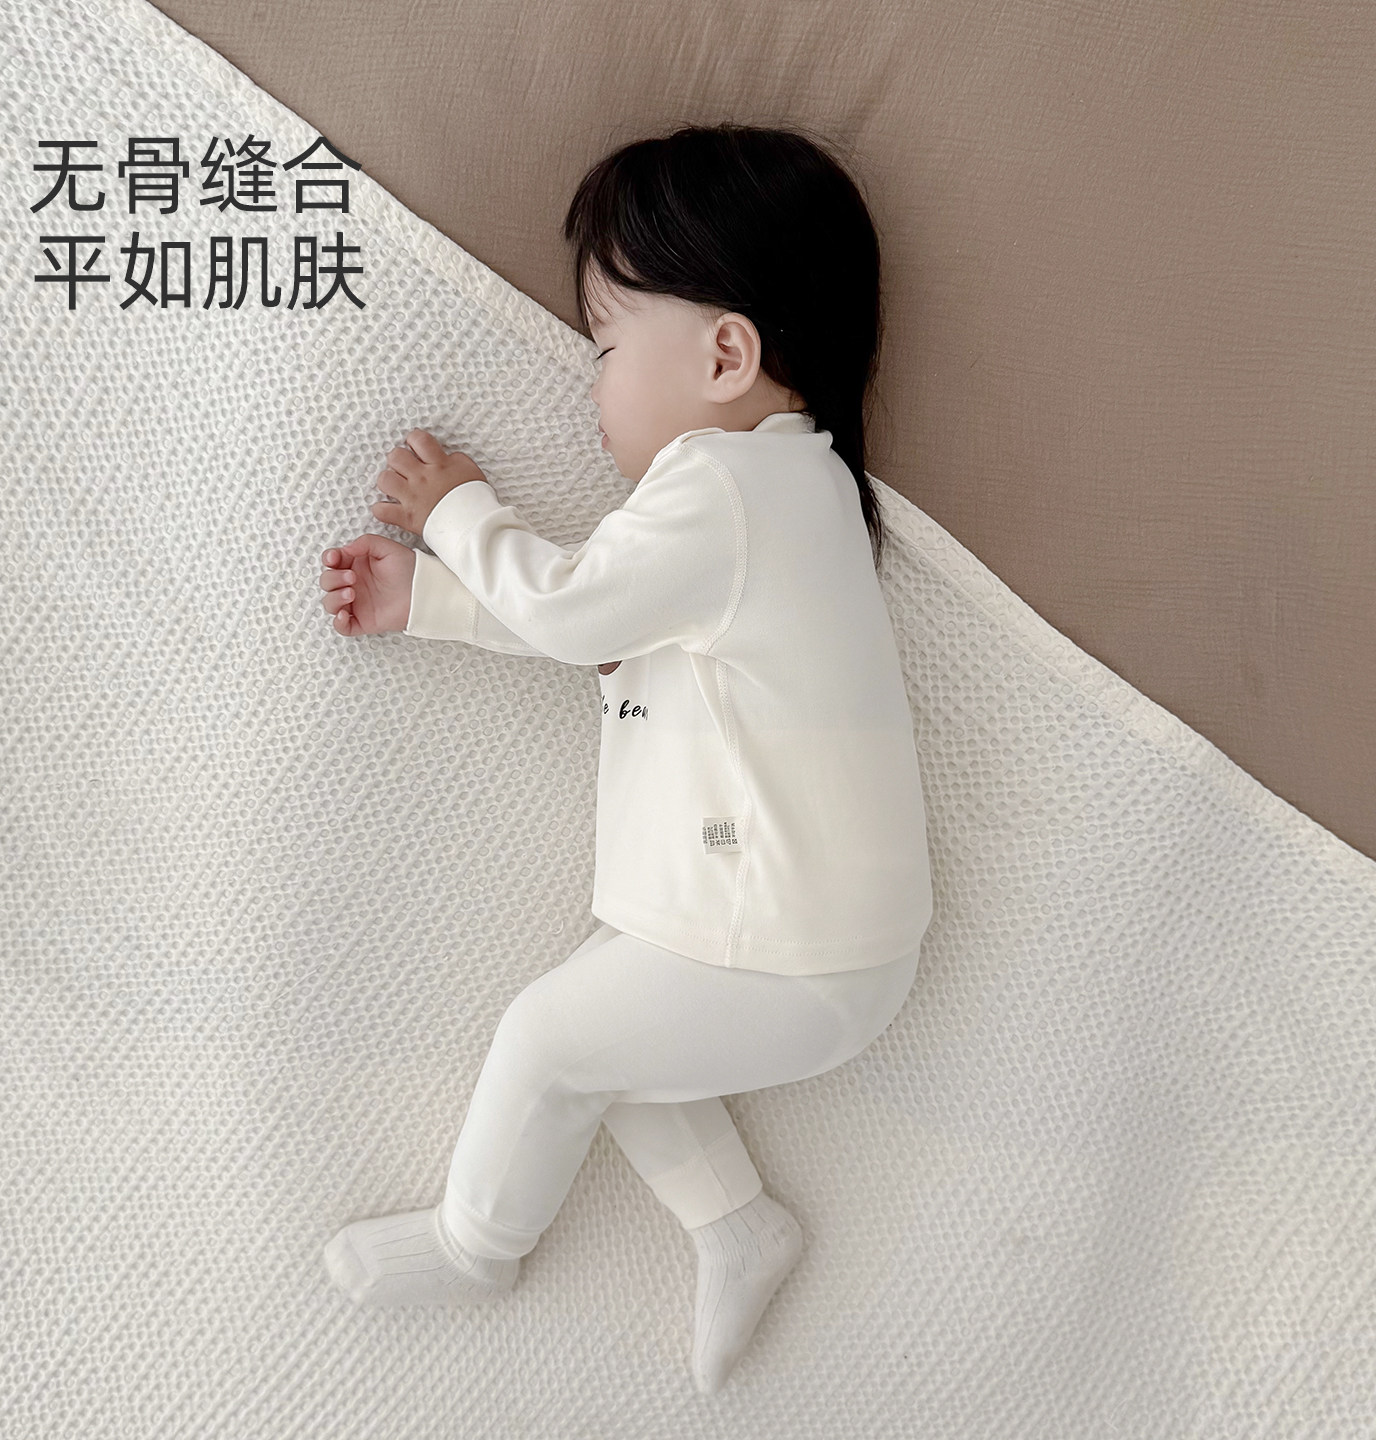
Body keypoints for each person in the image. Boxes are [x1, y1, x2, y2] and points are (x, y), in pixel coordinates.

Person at [315, 123, 933, 1395]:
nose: (589, 386)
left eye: (603, 347)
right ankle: (738, 1226)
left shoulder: (726, 489)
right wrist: (428, 602)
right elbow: (607, 631)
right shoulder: (787, 494)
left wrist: (457, 513)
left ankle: (478, 1245)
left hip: (787, 947)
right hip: (797, 942)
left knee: (548, 1040)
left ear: (726, 355)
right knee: (617, 1050)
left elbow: (571, 610)